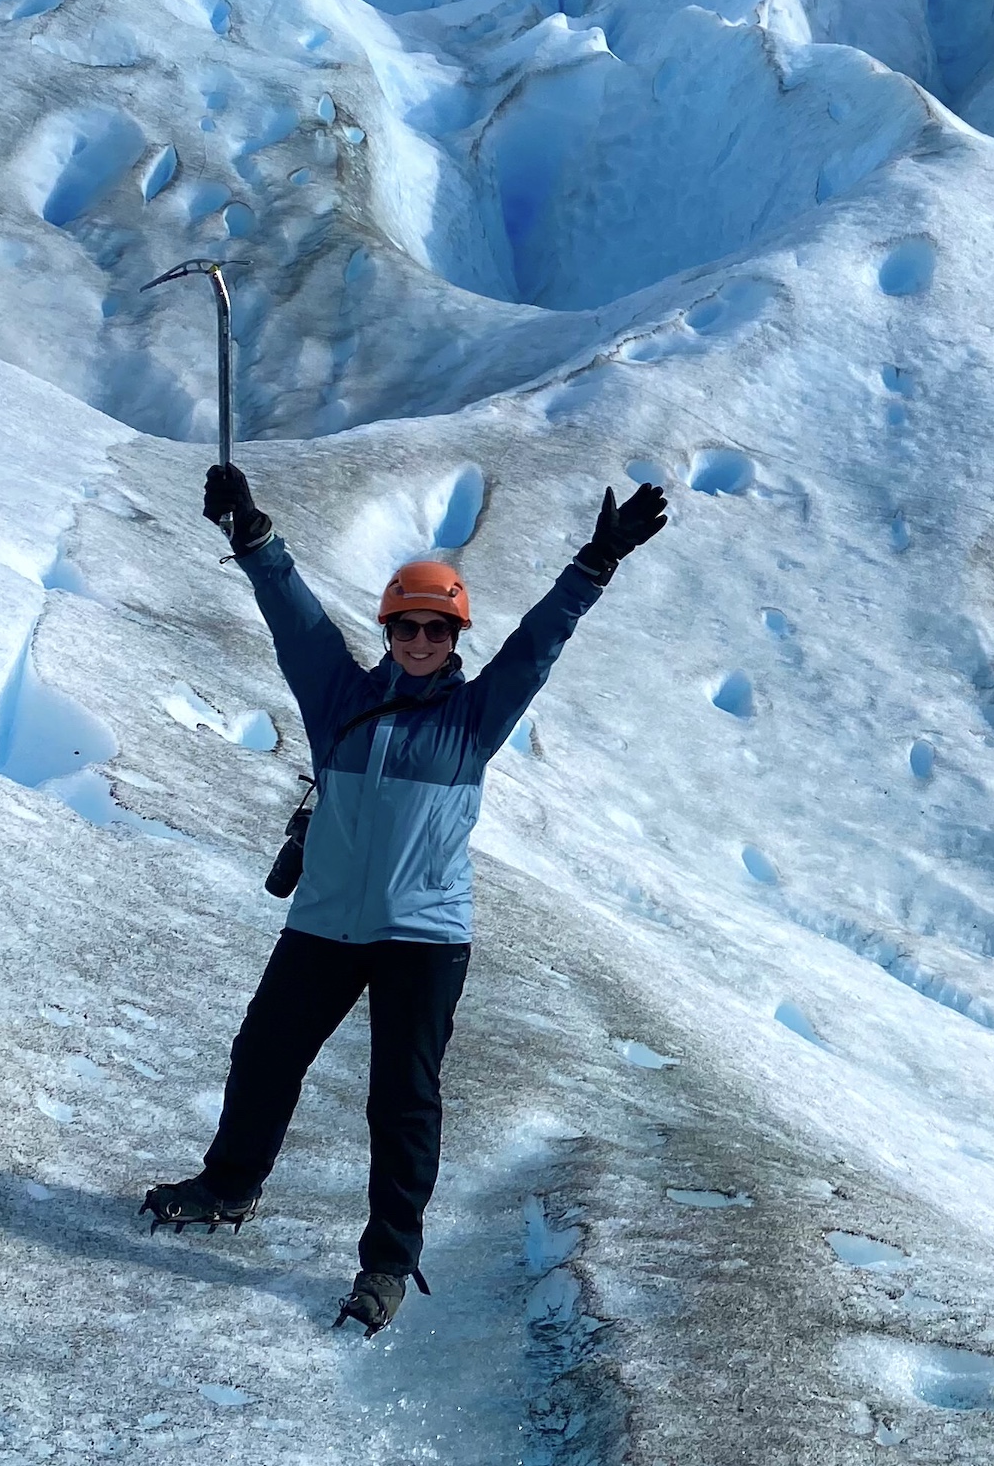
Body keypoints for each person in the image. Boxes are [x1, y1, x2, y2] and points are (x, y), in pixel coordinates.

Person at [142, 464, 669, 1335]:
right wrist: (251, 534)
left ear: (456, 636)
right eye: (406, 626)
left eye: (437, 627)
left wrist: (595, 564)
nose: (421, 639)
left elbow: (539, 642)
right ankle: (229, 1185)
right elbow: (295, 620)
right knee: (264, 1054)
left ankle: (388, 1259)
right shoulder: (340, 700)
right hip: (323, 924)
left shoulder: (473, 717)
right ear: (387, 630)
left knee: (402, 1097)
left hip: (423, 937)